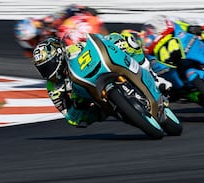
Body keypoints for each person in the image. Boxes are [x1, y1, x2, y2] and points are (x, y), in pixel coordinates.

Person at [32, 30, 171, 128]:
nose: (47, 72)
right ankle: (114, 110)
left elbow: (95, 42)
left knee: (126, 41)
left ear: (59, 56)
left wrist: (107, 42)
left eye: (48, 66)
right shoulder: (53, 87)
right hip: (91, 100)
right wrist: (80, 109)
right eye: (43, 69)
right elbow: (69, 116)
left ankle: (153, 75)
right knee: (79, 116)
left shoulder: (72, 49)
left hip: (101, 68)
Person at [14, 4, 108, 58]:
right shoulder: (31, 51)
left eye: (32, 39)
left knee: (66, 28)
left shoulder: (46, 22)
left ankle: (106, 42)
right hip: (67, 56)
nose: (31, 43)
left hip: (71, 38)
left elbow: (69, 10)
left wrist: (82, 8)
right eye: (28, 41)